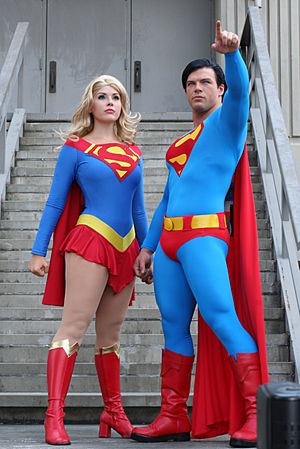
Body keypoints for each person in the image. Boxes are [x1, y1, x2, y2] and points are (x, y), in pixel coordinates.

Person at [131, 21, 269, 448]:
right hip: (169, 243)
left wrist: (232, 56)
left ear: (220, 89)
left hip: (204, 238)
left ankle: (253, 414)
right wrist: (147, 247)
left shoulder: (228, 127)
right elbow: (169, 198)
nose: (197, 88)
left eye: (206, 82)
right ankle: (173, 415)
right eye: (190, 83)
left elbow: (243, 95)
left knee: (223, 318)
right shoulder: (178, 144)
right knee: (173, 326)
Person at [28, 75, 148, 445]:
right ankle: (53, 416)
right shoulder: (75, 148)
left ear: (122, 105)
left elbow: (139, 210)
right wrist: (38, 250)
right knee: (72, 329)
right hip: (89, 240)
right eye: (102, 96)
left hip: (126, 247)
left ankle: (113, 411)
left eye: (116, 96)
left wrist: (147, 252)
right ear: (91, 104)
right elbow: (55, 201)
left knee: (110, 337)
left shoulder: (134, 151)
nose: (110, 101)